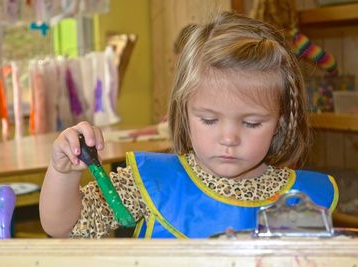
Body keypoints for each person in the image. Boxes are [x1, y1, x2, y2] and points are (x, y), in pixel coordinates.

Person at [39, 11, 339, 239]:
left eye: (251, 123)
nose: (229, 138)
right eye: (209, 119)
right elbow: (64, 228)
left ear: (280, 122)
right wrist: (63, 174)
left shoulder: (307, 199)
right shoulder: (150, 183)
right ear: (184, 113)